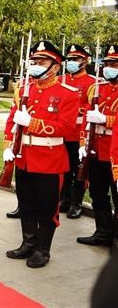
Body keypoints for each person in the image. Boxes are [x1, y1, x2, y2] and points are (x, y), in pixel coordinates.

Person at [3, 41, 77, 268]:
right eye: (34, 61)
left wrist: (32, 123)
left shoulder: (68, 94)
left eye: (41, 62)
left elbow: (66, 128)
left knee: (47, 208)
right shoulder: (26, 90)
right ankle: (28, 243)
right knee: (26, 204)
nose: (36, 66)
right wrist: (8, 145)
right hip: (24, 156)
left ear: (55, 67)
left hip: (49, 159)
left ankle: (42, 250)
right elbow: (12, 119)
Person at [76, 44, 118, 249]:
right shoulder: (96, 87)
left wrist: (106, 119)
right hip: (96, 148)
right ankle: (102, 231)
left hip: (115, 151)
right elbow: (86, 117)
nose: (109, 67)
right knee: (97, 192)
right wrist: (84, 142)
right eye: (107, 64)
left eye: (114, 64)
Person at [59, 44, 96, 218]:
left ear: (85, 61)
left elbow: (91, 107)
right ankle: (64, 199)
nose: (72, 62)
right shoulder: (61, 80)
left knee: (79, 169)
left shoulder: (91, 83)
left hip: (79, 133)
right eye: (70, 59)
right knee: (63, 169)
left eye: (76, 59)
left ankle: (77, 202)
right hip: (61, 132)